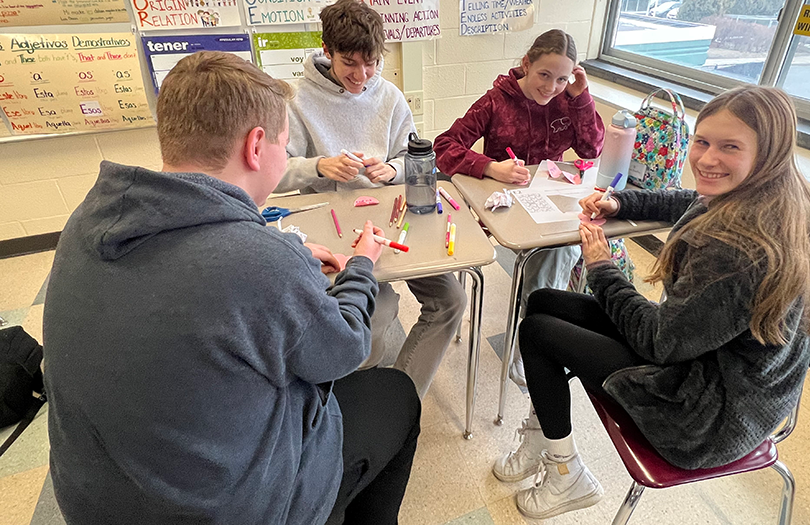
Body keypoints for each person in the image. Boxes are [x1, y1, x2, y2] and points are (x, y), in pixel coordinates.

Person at [42, 51, 421, 524]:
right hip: (232, 512)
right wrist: (361, 266)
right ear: (256, 146)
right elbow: (344, 350)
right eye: (284, 145)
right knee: (395, 393)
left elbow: (192, 287)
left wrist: (289, 259)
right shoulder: (260, 260)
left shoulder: (86, 222)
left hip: (92, 501)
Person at [492, 85, 810, 520]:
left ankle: (566, 473)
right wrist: (620, 201)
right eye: (702, 141)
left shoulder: (739, 250)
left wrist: (600, 267)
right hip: (707, 363)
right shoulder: (769, 196)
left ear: (768, 154)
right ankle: (546, 432)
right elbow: (690, 200)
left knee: (538, 331)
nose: (707, 159)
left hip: (708, 418)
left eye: (730, 147)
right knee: (542, 302)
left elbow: (660, 343)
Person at [278, 0, 466, 398]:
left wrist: (393, 170)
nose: (362, 76)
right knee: (375, 314)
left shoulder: (391, 97)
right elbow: (275, 173)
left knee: (450, 299)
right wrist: (319, 166)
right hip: (336, 229)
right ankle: (353, 398)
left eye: (372, 63)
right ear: (327, 52)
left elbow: (413, 161)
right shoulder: (295, 100)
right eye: (350, 63)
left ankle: (400, 400)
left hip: (393, 219)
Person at [433, 29, 605, 385]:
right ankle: (539, 334)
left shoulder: (567, 99)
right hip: (502, 204)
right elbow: (445, 146)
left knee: (566, 245)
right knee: (551, 261)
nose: (551, 87)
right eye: (544, 75)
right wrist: (490, 166)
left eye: (562, 78)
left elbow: (591, 148)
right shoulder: (497, 100)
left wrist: (580, 97)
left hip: (547, 202)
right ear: (526, 64)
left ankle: (539, 329)